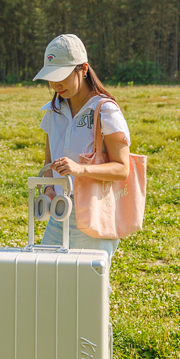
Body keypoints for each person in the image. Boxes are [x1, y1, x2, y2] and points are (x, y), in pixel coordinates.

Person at [33, 33, 131, 262]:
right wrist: (48, 191)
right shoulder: (53, 110)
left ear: (84, 68)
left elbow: (122, 169)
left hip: (93, 213)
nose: (56, 84)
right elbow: (49, 162)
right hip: (60, 214)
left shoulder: (105, 111)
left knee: (87, 289)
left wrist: (80, 169)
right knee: (47, 280)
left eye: (63, 75)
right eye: (51, 77)